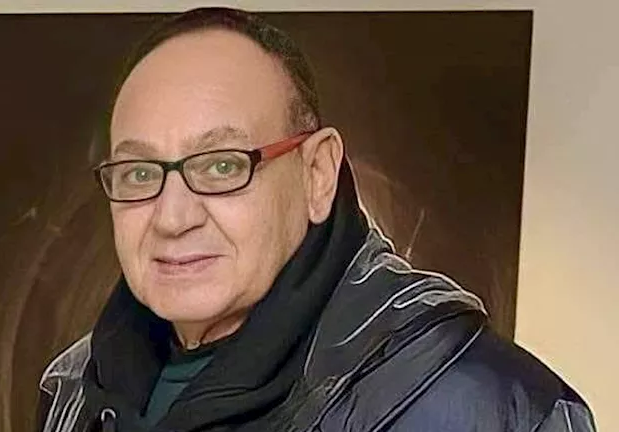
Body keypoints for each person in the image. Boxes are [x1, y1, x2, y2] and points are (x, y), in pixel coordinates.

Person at [36, 8, 595, 432]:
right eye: (139, 173)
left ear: (318, 175)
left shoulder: (489, 407)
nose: (173, 217)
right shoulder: (73, 392)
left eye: (223, 165)